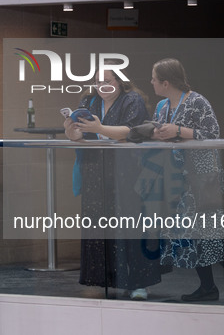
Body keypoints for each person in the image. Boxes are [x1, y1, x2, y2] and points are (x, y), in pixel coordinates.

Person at [149, 58, 224, 302]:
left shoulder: (197, 101)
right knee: (192, 231)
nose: (151, 82)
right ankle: (214, 283)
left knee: (206, 229)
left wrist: (178, 131)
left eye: (154, 78)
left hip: (202, 175)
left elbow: (212, 135)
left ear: (165, 82)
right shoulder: (162, 106)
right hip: (177, 176)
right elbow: (159, 133)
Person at [64, 68, 160, 300]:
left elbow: (130, 132)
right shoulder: (89, 100)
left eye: (107, 81)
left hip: (127, 170)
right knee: (100, 222)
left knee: (131, 223)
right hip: (96, 170)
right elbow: (76, 137)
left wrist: (98, 129)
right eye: (98, 81)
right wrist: (71, 128)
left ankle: (139, 283)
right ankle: (108, 280)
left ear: (120, 82)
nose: (101, 85)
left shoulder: (132, 100)